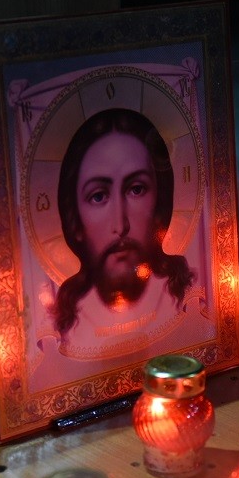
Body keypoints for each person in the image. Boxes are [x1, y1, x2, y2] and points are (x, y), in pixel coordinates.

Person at [49, 108, 197, 355]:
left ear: (159, 201)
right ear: (75, 220)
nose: (121, 225)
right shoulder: (67, 325)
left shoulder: (184, 297)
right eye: (98, 196)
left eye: (136, 189)